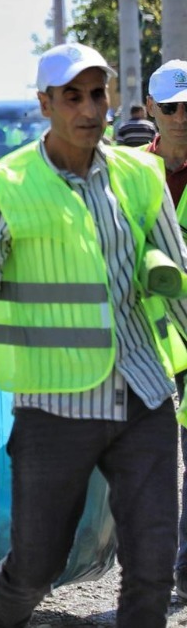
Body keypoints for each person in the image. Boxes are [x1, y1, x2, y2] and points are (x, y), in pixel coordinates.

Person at [0, 44, 187, 628]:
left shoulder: (140, 175)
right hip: (53, 407)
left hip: (142, 393)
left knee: (151, 564)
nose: (89, 109)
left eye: (98, 94)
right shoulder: (5, 186)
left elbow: (177, 276)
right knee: (36, 565)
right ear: (45, 103)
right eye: (73, 96)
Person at [145, 61, 187, 598]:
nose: (182, 116)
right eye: (172, 106)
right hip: (143, 340)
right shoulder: (128, 172)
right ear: (150, 109)